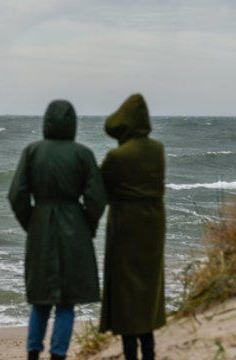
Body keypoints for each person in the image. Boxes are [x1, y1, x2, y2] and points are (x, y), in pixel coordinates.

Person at [8, 100, 106, 360]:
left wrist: (31, 222)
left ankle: (32, 352)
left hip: (40, 224)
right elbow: (96, 198)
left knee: (40, 298)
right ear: (73, 122)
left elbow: (17, 194)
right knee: (66, 301)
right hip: (74, 224)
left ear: (46, 121)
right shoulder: (82, 154)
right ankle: (58, 355)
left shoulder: (32, 151)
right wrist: (88, 225)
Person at [98, 94, 166, 360]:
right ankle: (149, 349)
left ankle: (130, 353)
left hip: (126, 225)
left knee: (126, 291)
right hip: (154, 225)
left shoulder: (117, 156)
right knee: (148, 287)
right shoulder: (158, 149)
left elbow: (101, 188)